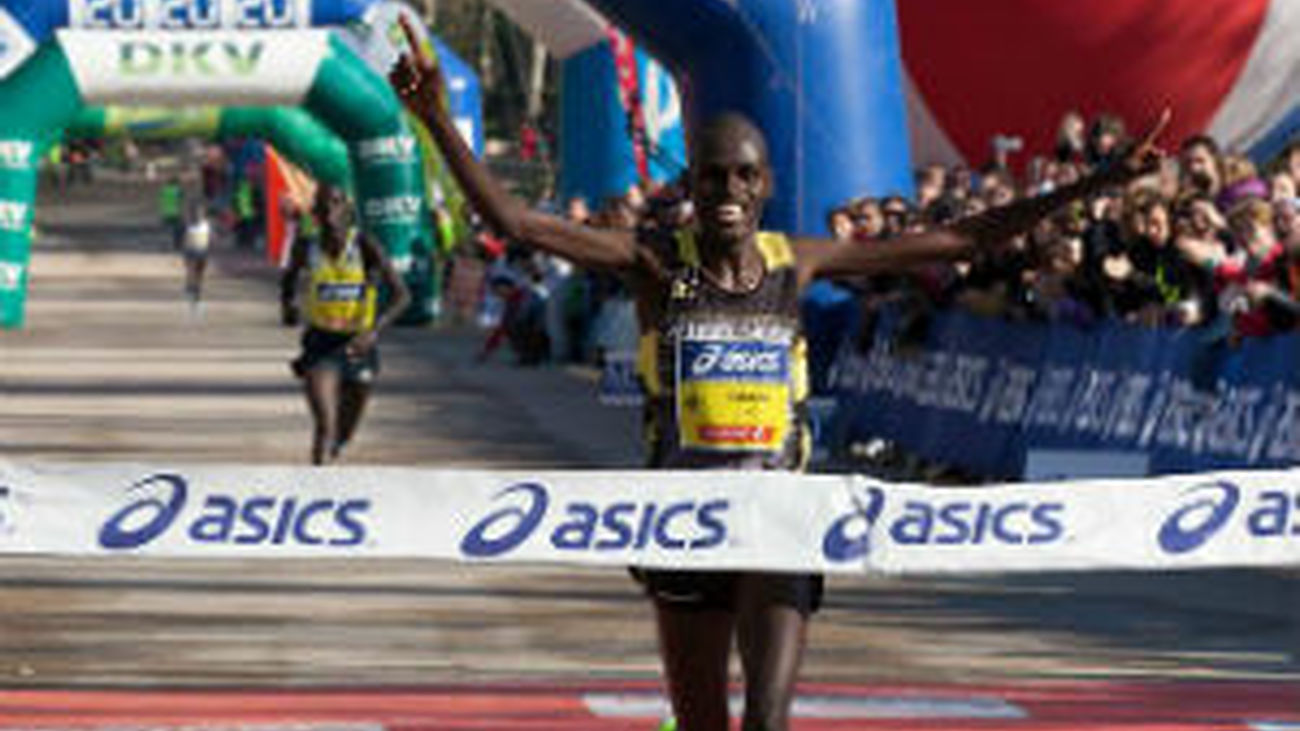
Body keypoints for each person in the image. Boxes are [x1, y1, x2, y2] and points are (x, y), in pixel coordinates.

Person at [390, 17, 1166, 730]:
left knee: (766, 725)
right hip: (683, 522)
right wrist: (432, 120)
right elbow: (516, 223)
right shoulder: (656, 264)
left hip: (779, 519)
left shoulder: (798, 263)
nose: (725, 192)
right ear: (690, 187)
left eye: (740, 177)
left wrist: (1093, 185)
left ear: (763, 186)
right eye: (710, 178)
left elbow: (957, 240)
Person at [280, 184, 411, 465]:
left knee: (345, 429)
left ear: (347, 212)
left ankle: (338, 444)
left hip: (357, 345)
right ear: (315, 213)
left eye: (337, 203)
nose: (330, 210)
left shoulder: (366, 246)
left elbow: (402, 296)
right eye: (324, 205)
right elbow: (288, 279)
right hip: (320, 343)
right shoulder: (306, 246)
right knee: (324, 426)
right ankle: (318, 486)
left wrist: (373, 332)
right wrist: (288, 306)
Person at [181, 202, 213, 313]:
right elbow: (185, 240)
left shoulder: (207, 225)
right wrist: (185, 253)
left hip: (202, 253)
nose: (199, 215)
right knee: (192, 273)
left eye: (201, 212)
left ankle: (193, 289)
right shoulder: (188, 225)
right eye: (197, 212)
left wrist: (210, 249)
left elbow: (210, 239)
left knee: (199, 274)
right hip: (192, 253)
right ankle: (194, 294)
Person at [159, 176, 185, 250]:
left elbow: (161, 198)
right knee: (180, 229)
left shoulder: (164, 190)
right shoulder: (177, 190)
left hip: (165, 213)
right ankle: (177, 244)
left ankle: (168, 244)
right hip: (175, 213)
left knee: (168, 229)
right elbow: (181, 199)